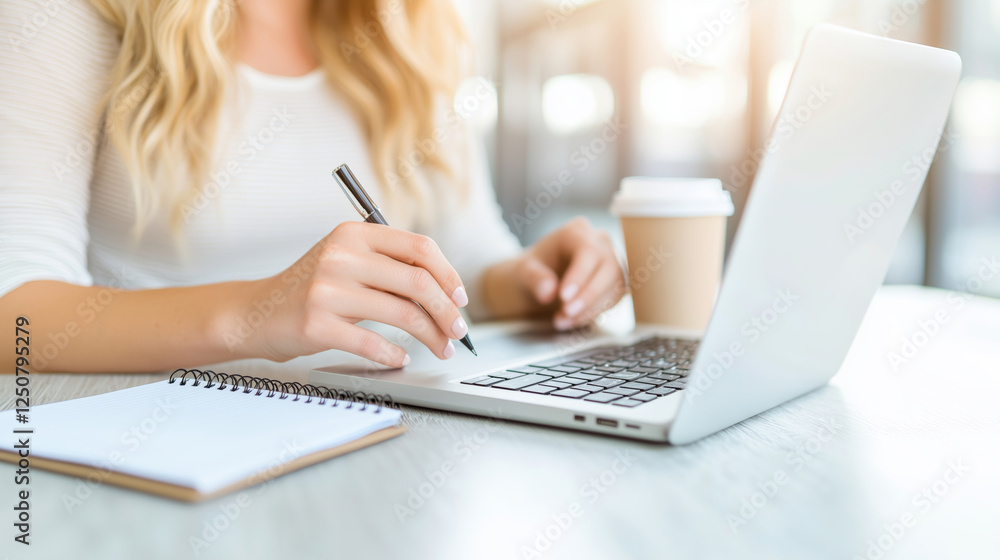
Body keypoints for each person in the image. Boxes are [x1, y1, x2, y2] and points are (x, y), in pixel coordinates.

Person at [0, 0, 625, 373]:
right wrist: (254, 315)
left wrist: (531, 284)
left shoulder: (410, 24)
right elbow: (12, 312)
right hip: (149, 442)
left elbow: (464, 253)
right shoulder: (75, 16)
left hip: (377, 432)